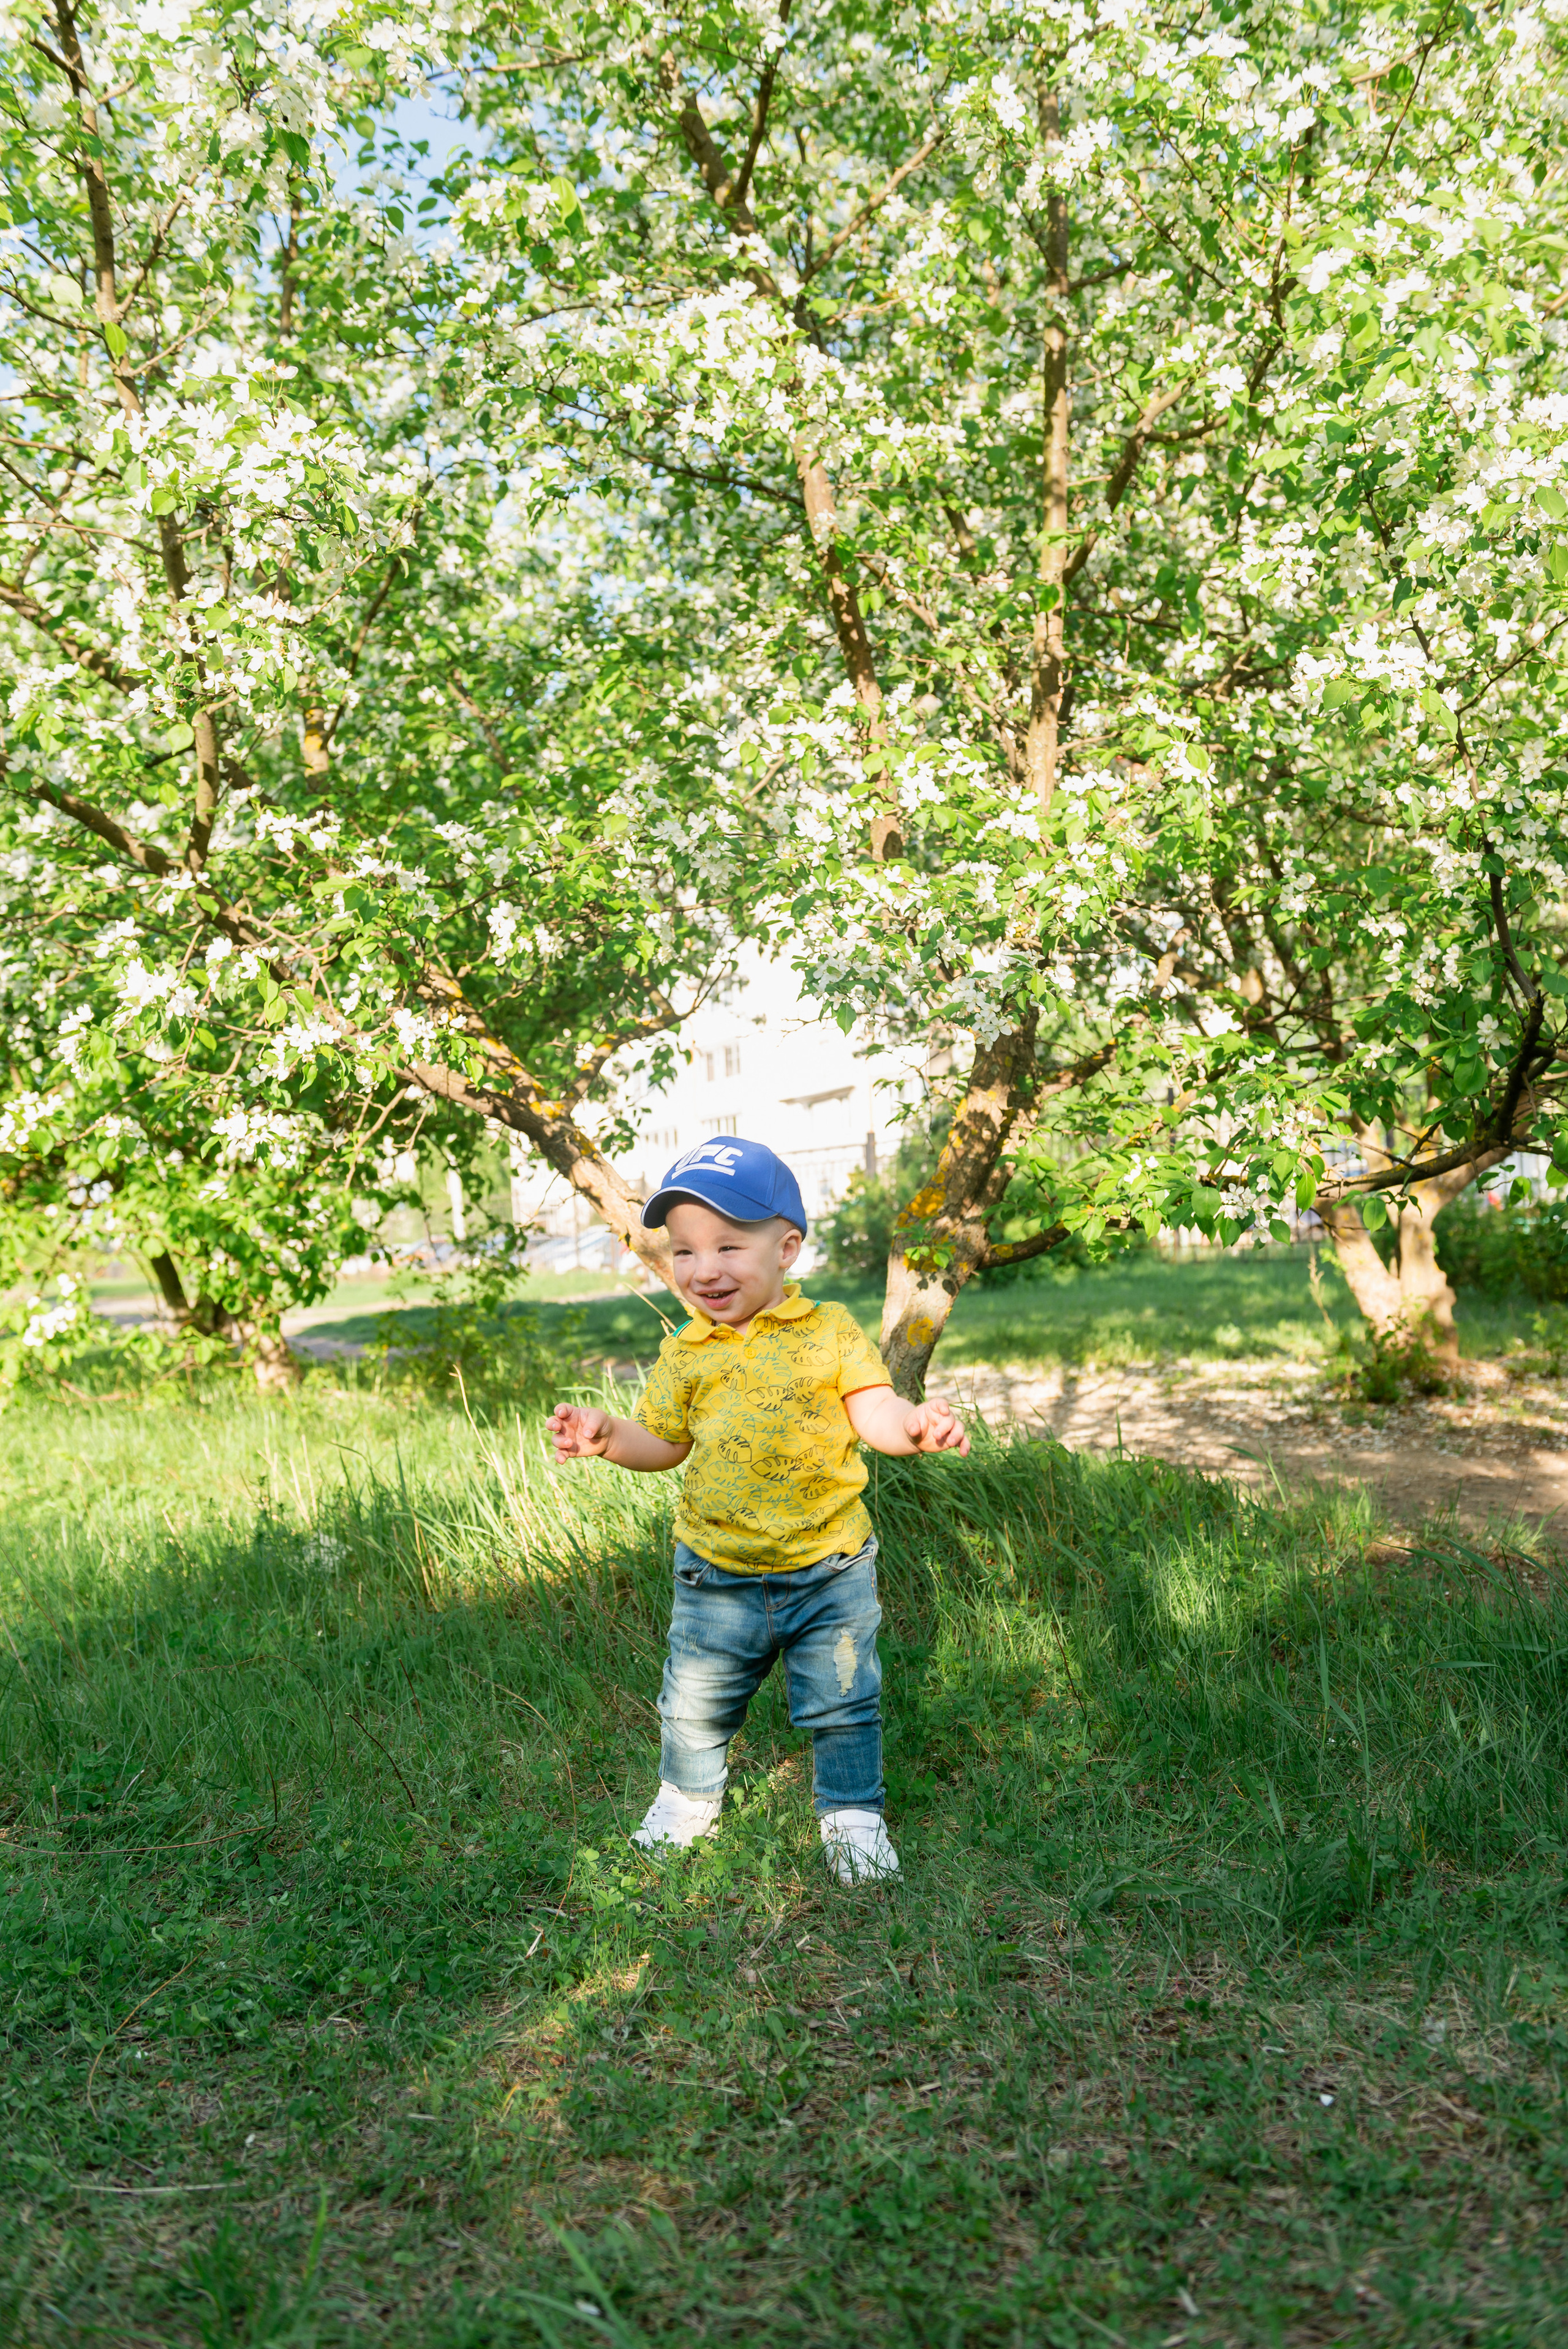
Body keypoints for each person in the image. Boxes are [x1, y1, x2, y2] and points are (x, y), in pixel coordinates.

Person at [546, 1137, 969, 1883]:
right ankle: (687, 1801)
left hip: (830, 1566)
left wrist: (913, 1428)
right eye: (684, 1251)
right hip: (717, 1570)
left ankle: (852, 1815)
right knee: (694, 1702)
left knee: (843, 1698)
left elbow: (874, 1411)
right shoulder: (687, 1350)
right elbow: (665, 1443)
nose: (703, 1269)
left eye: (727, 1246)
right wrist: (609, 1437)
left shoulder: (829, 1331)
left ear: (787, 1249)